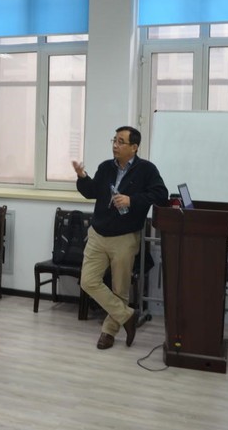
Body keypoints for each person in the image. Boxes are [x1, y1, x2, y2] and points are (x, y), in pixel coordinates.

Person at [72, 126, 167, 350]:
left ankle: (109, 332)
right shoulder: (106, 167)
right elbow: (92, 191)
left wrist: (131, 200)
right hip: (98, 234)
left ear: (134, 147)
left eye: (121, 142)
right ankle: (127, 316)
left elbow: (161, 195)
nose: (115, 145)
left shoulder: (146, 170)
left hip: (124, 237)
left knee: (120, 288)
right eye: (114, 140)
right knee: (88, 281)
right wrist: (82, 176)